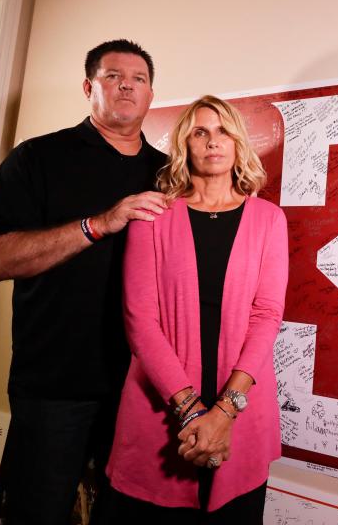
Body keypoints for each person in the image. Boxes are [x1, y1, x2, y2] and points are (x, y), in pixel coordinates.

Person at [0, 39, 168, 524]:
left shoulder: (166, 174)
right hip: (55, 384)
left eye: (138, 79)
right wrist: (96, 225)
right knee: (39, 514)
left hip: (142, 385)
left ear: (150, 95)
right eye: (113, 76)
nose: (126, 86)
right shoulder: (38, 158)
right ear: (88, 87)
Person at [98, 96, 288, 523]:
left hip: (241, 410)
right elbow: (140, 321)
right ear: (185, 144)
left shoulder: (269, 220)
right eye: (200, 132)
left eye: (223, 131)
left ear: (238, 142)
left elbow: (267, 315)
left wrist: (223, 413)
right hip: (160, 408)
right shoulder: (152, 216)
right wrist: (191, 411)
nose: (212, 141)